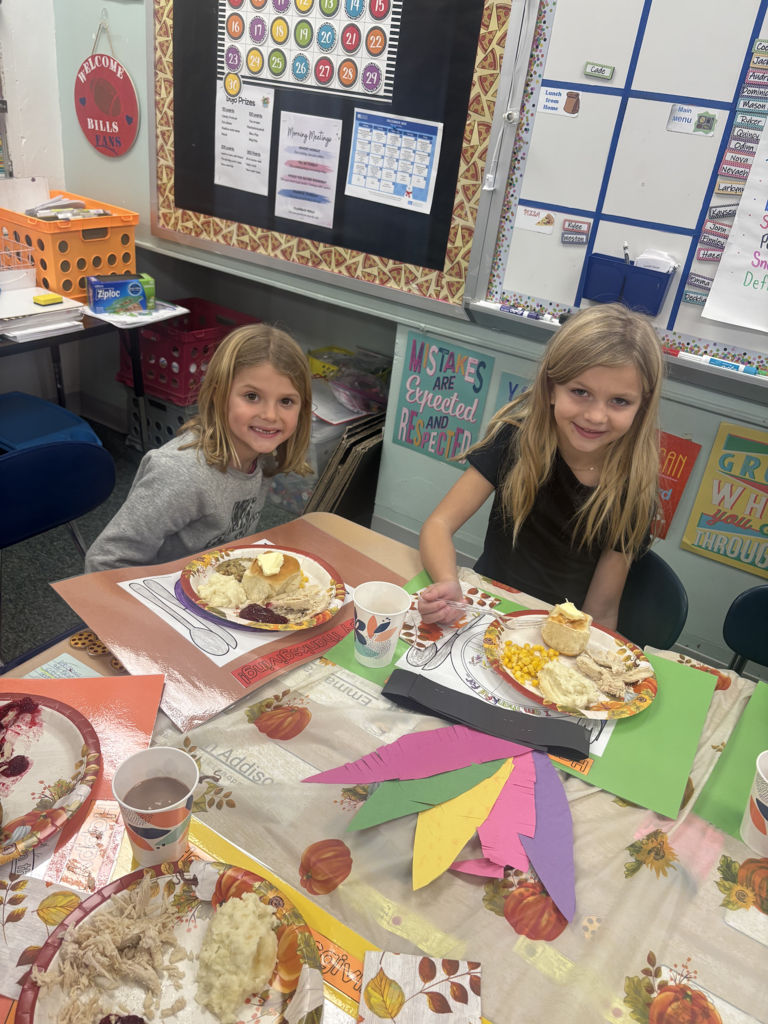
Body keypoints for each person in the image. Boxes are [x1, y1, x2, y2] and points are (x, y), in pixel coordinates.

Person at [418, 303, 663, 629]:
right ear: (551, 388)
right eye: (580, 392)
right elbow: (438, 524)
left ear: (642, 406)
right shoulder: (516, 440)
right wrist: (448, 582)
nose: (595, 416)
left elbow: (600, 613)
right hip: (487, 610)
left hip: (554, 633)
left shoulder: (633, 491)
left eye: (619, 401)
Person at [84, 324, 312, 572]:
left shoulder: (261, 454)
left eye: (286, 401)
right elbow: (104, 562)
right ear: (218, 395)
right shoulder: (182, 475)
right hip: (162, 596)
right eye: (251, 396)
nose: (270, 415)